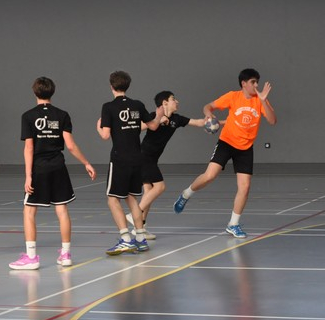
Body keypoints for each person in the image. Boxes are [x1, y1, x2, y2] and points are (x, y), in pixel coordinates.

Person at [173, 68, 277, 238]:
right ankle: (186, 194)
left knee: (245, 187)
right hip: (226, 142)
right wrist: (209, 115)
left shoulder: (260, 100)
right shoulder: (233, 96)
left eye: (257, 82)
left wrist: (264, 101)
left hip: (245, 148)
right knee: (210, 176)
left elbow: (272, 121)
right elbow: (208, 106)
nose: (256, 85)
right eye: (253, 82)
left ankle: (233, 224)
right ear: (244, 83)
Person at [8, 77, 96, 270]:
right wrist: (86, 163)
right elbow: (70, 145)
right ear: (52, 92)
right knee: (62, 210)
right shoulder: (62, 115)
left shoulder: (28, 116)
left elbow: (29, 148)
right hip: (58, 167)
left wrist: (28, 176)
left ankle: (32, 257)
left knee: (29, 211)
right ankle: (66, 255)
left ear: (34, 92)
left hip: (39, 169)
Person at [96, 71, 162, 255]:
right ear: (127, 85)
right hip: (137, 158)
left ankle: (125, 239)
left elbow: (105, 135)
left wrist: (98, 127)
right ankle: (140, 239)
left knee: (112, 199)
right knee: (131, 198)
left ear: (111, 86)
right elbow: (153, 125)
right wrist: (158, 115)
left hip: (120, 159)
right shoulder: (137, 105)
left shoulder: (108, 107)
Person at [125, 91, 207, 239]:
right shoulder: (153, 115)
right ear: (164, 103)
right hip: (143, 156)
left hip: (152, 159)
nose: (177, 101)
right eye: (173, 99)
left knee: (149, 191)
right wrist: (158, 119)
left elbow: (198, 122)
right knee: (160, 187)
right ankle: (134, 214)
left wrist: (222, 122)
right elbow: (138, 127)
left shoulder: (177, 119)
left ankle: (140, 228)